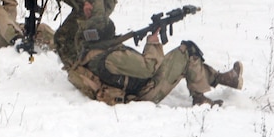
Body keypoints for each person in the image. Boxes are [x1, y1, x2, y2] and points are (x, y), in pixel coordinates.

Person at [66, 29, 244, 106]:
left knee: (182, 56)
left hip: (137, 88)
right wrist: (152, 43)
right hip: (145, 91)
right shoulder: (111, 57)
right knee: (186, 51)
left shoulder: (90, 56)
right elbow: (149, 67)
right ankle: (202, 96)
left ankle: (221, 79)